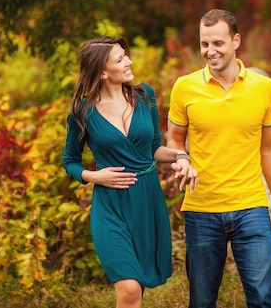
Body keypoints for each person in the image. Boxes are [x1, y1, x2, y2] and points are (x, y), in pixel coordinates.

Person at [63, 36, 198, 308]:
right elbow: (70, 161)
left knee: (137, 289)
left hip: (147, 203)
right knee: (128, 290)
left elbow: (154, 150)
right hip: (110, 207)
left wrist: (182, 155)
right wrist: (93, 176)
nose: (129, 61)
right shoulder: (82, 112)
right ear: (102, 72)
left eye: (126, 56)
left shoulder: (144, 95)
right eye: (120, 59)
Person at [167, 9, 271, 308]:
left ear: (236, 41)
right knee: (202, 301)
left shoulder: (264, 87)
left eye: (218, 43)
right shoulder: (185, 87)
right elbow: (175, 140)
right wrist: (182, 159)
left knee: (263, 299)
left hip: (252, 208)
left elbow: (270, 148)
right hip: (201, 209)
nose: (210, 51)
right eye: (204, 44)